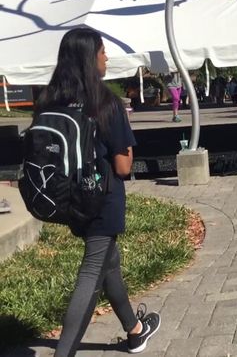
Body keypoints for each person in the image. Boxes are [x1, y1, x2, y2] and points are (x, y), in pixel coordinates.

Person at [35, 28, 160, 356]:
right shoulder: (105, 101)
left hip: (66, 197)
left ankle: (135, 331)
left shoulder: (50, 99)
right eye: (102, 51)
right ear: (90, 58)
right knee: (93, 269)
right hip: (102, 198)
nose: (106, 57)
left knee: (108, 262)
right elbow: (122, 167)